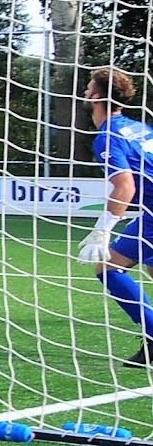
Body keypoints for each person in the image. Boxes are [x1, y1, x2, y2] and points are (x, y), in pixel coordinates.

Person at [76, 67, 153, 368]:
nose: (84, 92)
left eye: (87, 87)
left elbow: (125, 186)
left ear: (96, 96)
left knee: (106, 266)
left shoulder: (108, 136)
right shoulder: (140, 127)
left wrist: (102, 231)